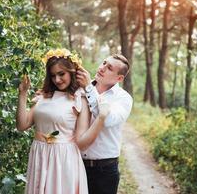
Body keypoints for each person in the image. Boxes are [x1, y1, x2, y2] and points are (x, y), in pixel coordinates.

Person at [16, 48, 109, 194]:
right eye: (53, 76)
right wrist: (22, 93)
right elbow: (22, 125)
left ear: (72, 72)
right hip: (39, 154)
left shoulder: (80, 99)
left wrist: (101, 118)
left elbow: (82, 143)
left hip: (63, 159)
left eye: (61, 74)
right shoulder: (44, 96)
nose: (57, 80)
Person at [76, 54, 133, 194]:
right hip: (75, 165)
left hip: (104, 172)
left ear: (119, 78)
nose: (102, 68)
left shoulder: (123, 98)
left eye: (109, 68)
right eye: (103, 63)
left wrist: (89, 88)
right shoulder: (79, 90)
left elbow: (106, 119)